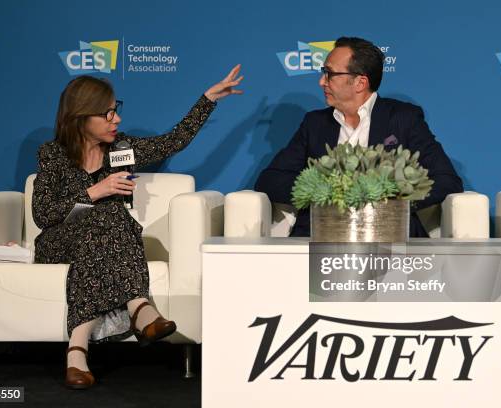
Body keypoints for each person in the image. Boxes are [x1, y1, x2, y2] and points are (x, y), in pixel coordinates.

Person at [32, 66, 243, 389]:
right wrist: (95, 191)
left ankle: (77, 350)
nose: (116, 119)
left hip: (101, 243)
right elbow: (43, 215)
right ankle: (140, 309)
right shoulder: (53, 155)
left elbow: (173, 141)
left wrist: (208, 100)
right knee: (110, 212)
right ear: (81, 117)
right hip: (59, 242)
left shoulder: (121, 149)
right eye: (106, 113)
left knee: (111, 217)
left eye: (116, 110)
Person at [255, 37, 463, 237]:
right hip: (320, 234)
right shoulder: (315, 124)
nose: (321, 81)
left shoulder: (403, 119)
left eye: (329, 74)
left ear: (360, 82)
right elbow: (270, 180)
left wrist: (384, 194)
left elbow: (446, 181)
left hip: (388, 235)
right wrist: (326, 189)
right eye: (322, 72)